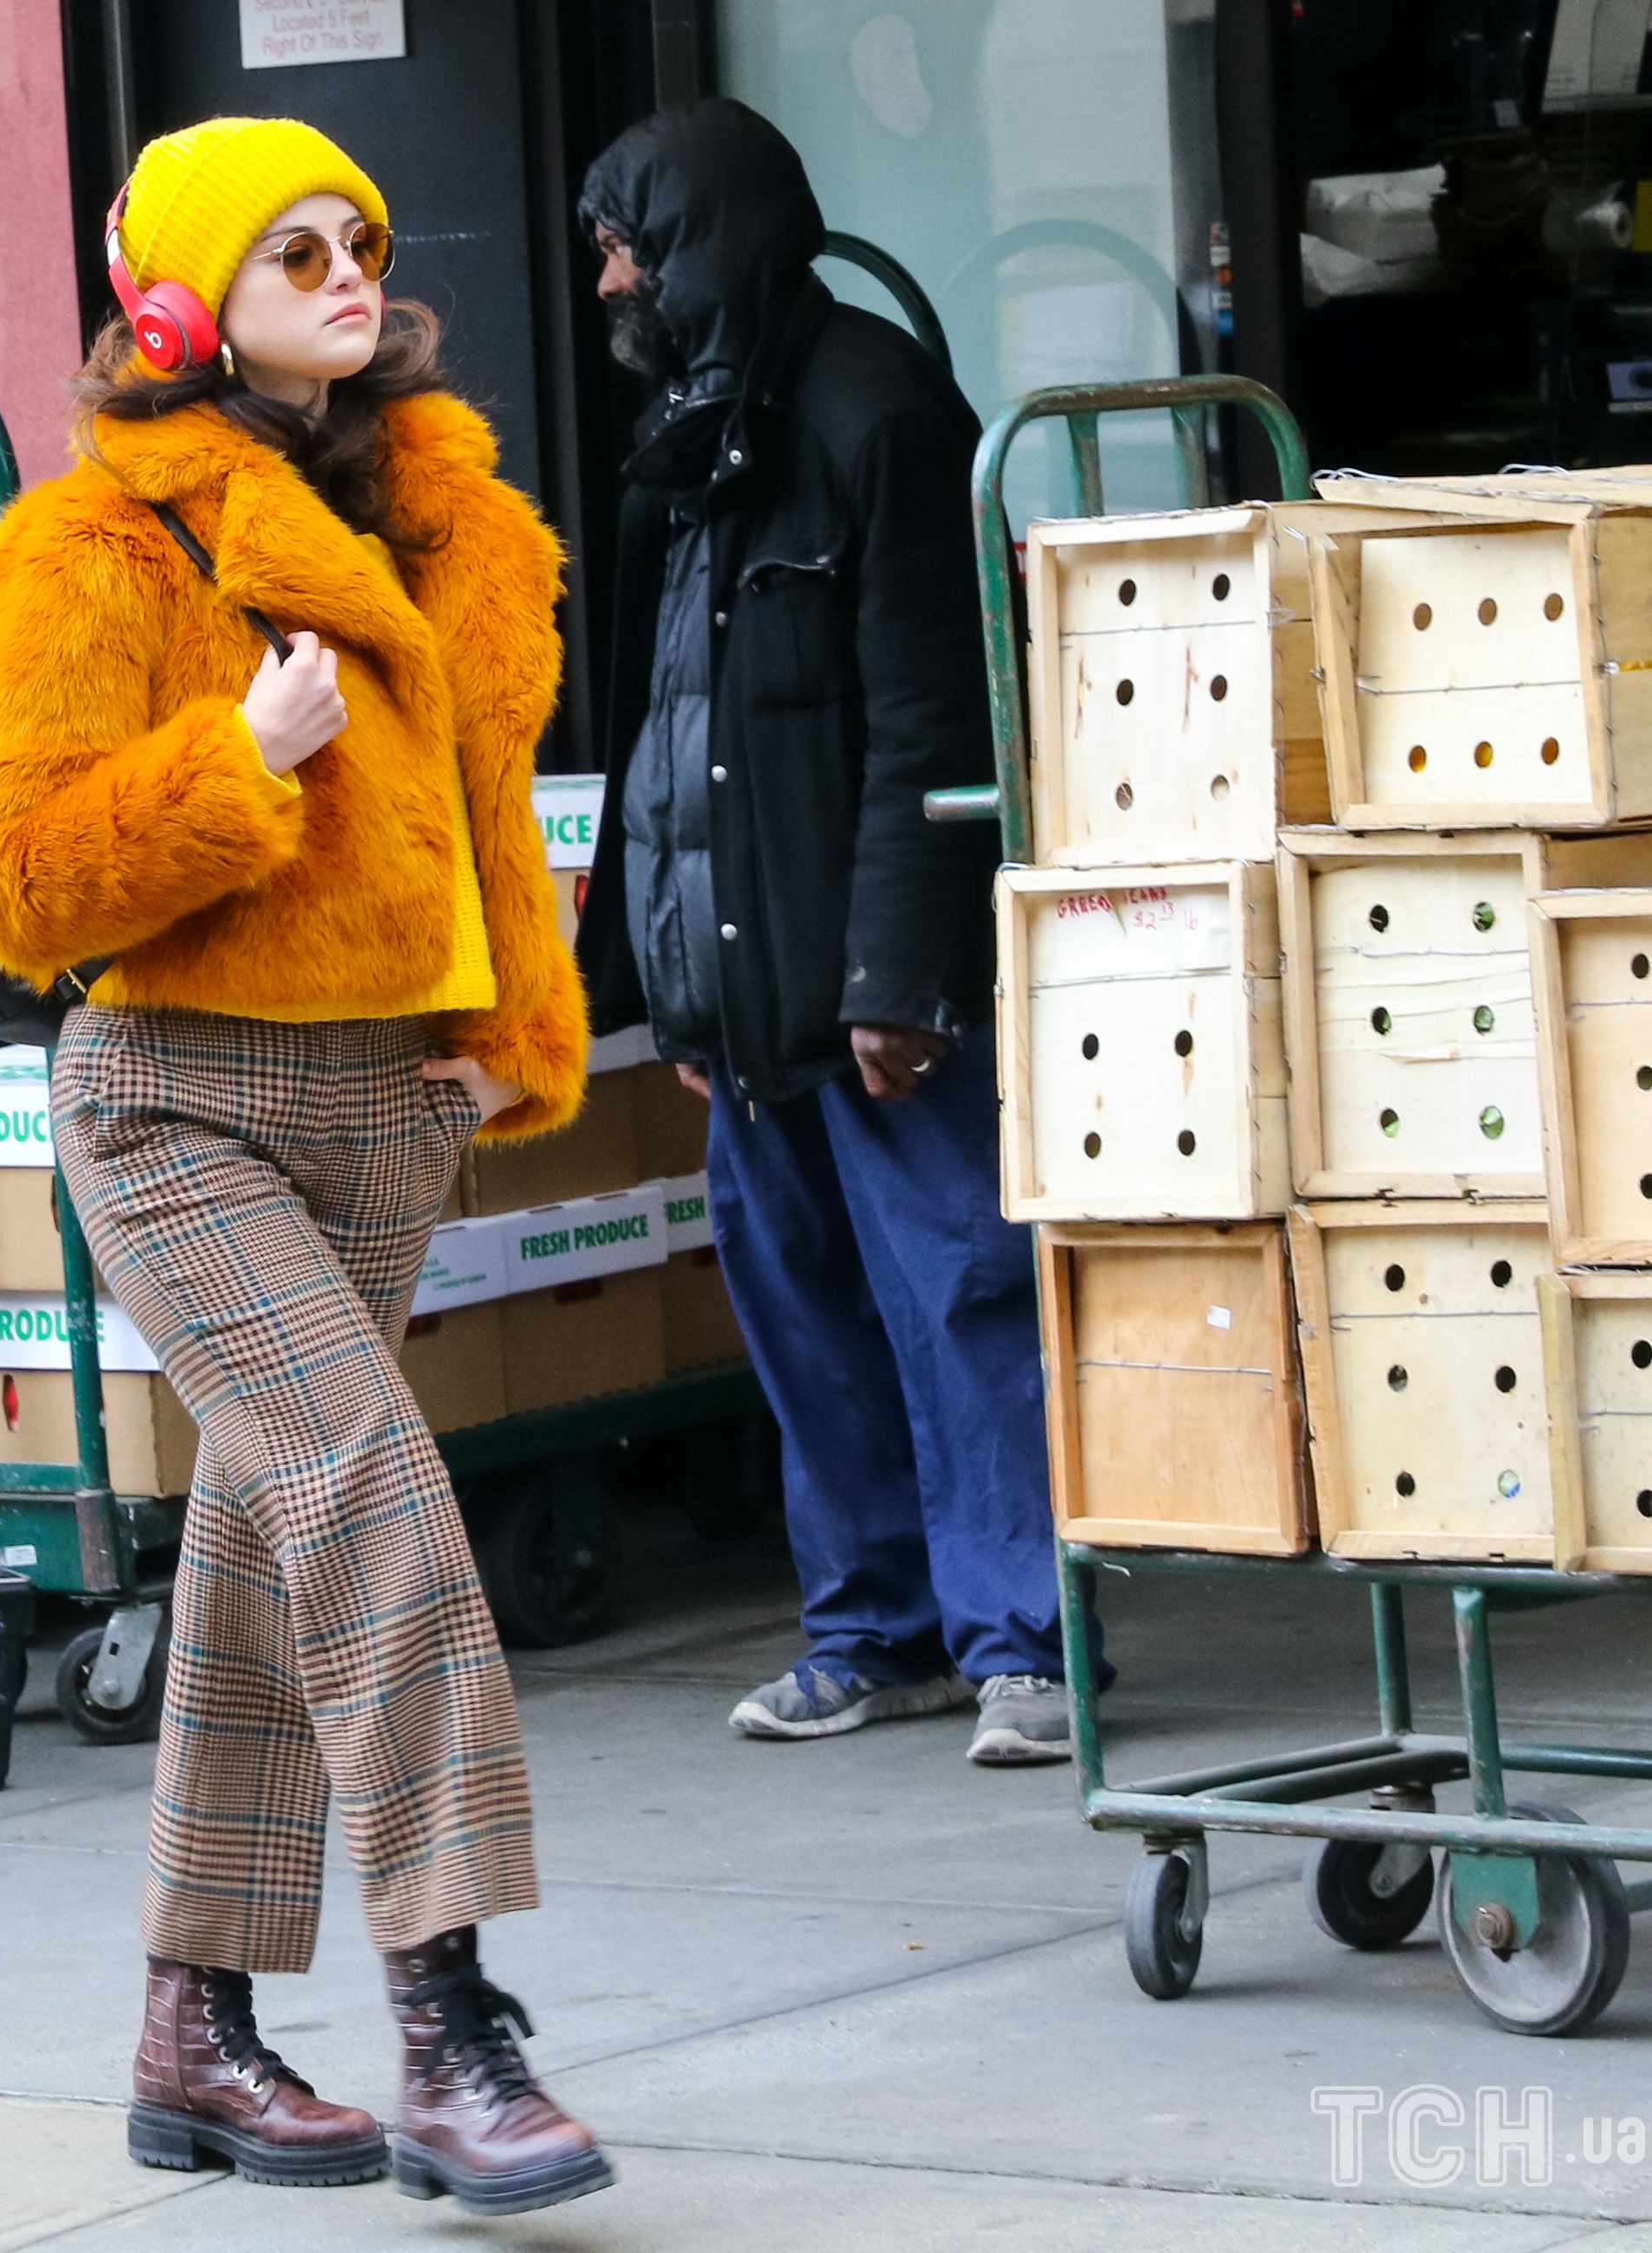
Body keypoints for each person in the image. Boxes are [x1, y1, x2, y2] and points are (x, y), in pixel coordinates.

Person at [0, 117, 616, 2216]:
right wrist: (233, 769)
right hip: (177, 1104)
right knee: (373, 1496)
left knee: (259, 1565)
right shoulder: (91, 547)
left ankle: (191, 2035)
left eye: (359, 241)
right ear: (173, 304)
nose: (345, 272)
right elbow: (10, 884)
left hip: (386, 1103)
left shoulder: (445, 526)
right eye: (288, 251)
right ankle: (447, 2025)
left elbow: (484, 822)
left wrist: (512, 1010)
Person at [574, 99, 1083, 1768]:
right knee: (801, 1315)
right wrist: (666, 989)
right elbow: (665, 734)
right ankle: (875, 1637)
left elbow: (938, 723)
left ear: (696, 242)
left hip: (874, 982)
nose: (604, 281)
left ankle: (1024, 1644)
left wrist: (899, 975)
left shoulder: (876, 411)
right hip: (746, 976)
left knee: (960, 1297)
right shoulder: (683, 434)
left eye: (624, 246)